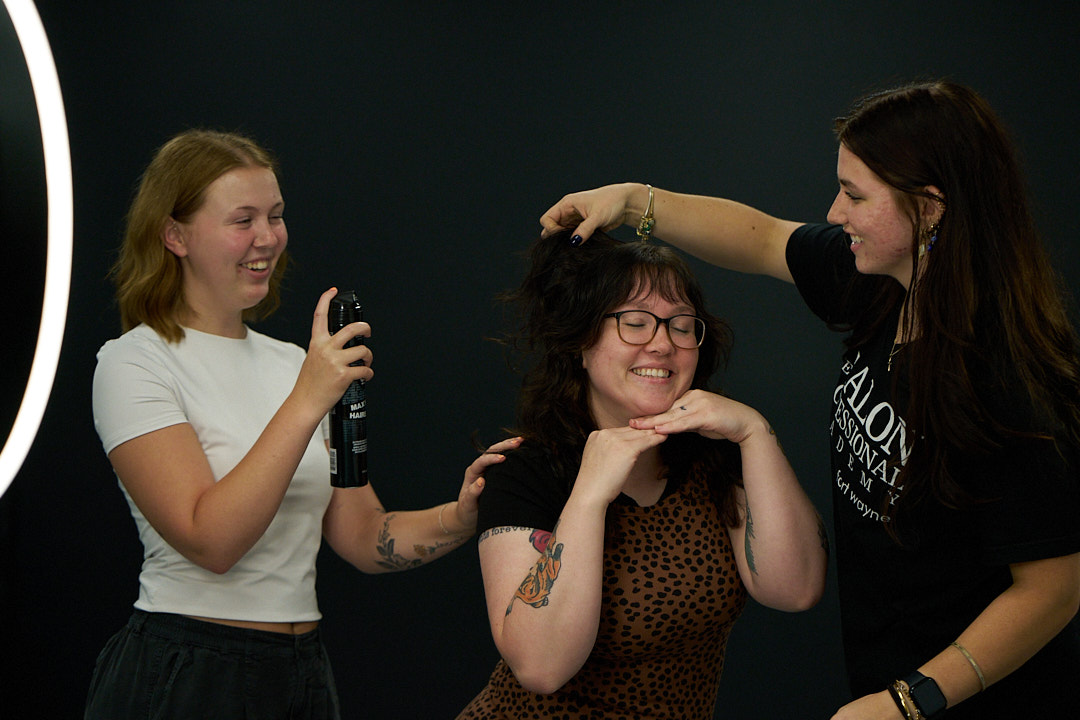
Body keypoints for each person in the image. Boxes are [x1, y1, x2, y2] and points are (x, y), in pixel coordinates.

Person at [539, 80, 1080, 720]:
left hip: (969, 693)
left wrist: (909, 702)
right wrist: (633, 201)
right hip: (884, 667)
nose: (835, 211)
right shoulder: (881, 278)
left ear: (930, 207)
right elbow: (764, 238)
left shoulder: (1011, 379)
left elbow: (1055, 588)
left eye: (855, 195)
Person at [84, 129, 518, 720]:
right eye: (243, 219)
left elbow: (363, 536)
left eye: (276, 215)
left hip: (301, 672)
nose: (268, 237)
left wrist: (462, 516)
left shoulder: (293, 363)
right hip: (187, 670)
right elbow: (211, 542)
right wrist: (308, 398)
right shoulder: (135, 362)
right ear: (174, 235)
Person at [456, 230, 828, 719]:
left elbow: (795, 589)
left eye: (682, 326)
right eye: (635, 323)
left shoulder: (715, 454)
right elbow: (540, 667)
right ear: (582, 342)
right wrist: (589, 496)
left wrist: (756, 433)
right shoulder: (525, 471)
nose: (662, 344)